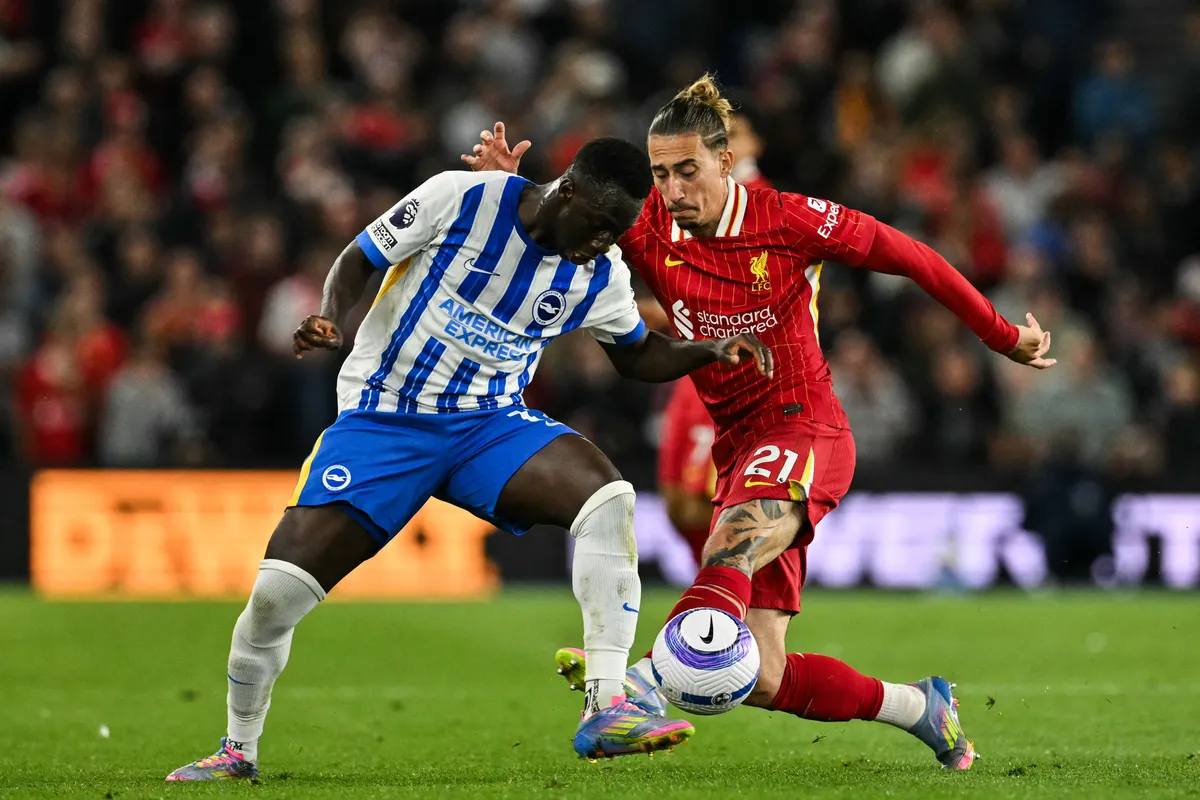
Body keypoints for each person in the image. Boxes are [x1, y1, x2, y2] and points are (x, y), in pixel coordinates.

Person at [464, 77, 1056, 770]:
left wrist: (1000, 335)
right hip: (738, 445)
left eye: (689, 171)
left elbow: (911, 256)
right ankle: (921, 706)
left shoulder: (788, 218)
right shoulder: (647, 221)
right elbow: (561, 218)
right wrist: (509, 196)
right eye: (662, 174)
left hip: (804, 427)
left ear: (725, 162)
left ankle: (634, 684)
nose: (674, 189)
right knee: (762, 674)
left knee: (729, 547)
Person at [165, 137, 775, 781]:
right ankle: (237, 751)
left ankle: (608, 705)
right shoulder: (461, 199)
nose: (601, 243)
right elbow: (359, 257)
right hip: (385, 420)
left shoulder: (598, 275)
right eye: (597, 226)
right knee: (274, 598)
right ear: (566, 191)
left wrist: (709, 348)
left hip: (489, 426)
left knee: (608, 499)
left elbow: (635, 355)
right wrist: (329, 317)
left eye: (615, 234)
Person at [659, 98, 773, 569]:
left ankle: (722, 607)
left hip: (737, 366)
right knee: (675, 501)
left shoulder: (764, 206)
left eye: (738, 132)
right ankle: (709, 600)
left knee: (709, 502)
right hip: (694, 362)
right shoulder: (693, 206)